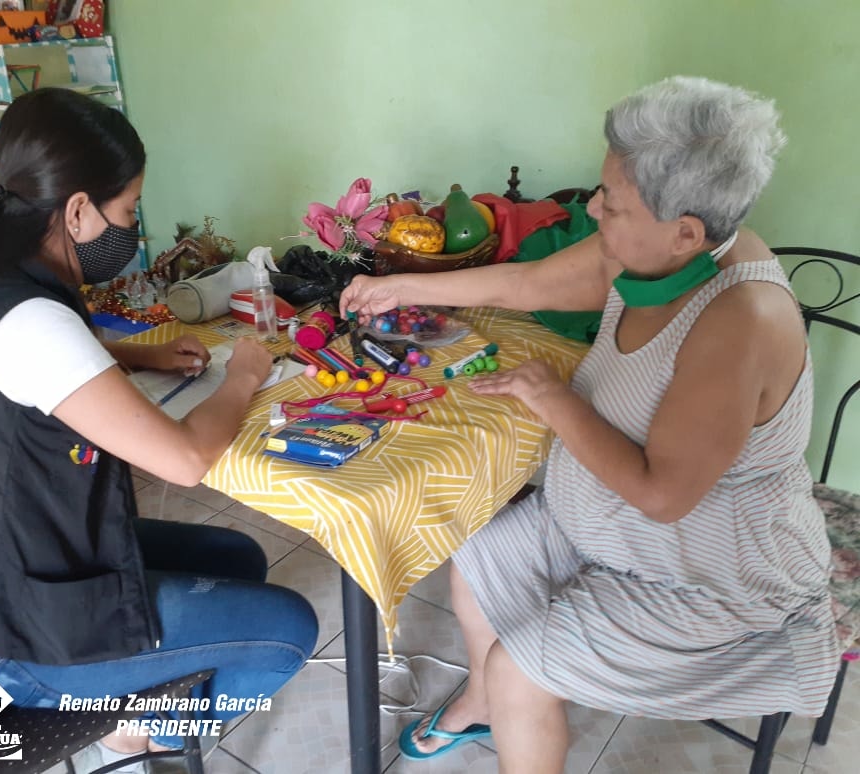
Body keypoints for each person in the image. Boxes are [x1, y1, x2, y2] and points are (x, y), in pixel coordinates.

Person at [340, 76, 840, 772]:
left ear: (686, 232)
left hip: (710, 573)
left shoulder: (740, 322)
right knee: (477, 553)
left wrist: (553, 398)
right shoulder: (665, 248)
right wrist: (400, 286)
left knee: (520, 669)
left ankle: (507, 692)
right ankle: (484, 704)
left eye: (613, 201)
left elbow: (663, 495)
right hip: (607, 527)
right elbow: (531, 283)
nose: (594, 207)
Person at [0, 88, 318, 769]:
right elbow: (186, 460)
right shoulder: (33, 319)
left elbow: (29, 363)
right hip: (21, 644)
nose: (131, 227)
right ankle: (143, 732)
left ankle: (144, 711)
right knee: (289, 627)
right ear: (77, 210)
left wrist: (138, 355)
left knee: (237, 558)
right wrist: (243, 375)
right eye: (127, 210)